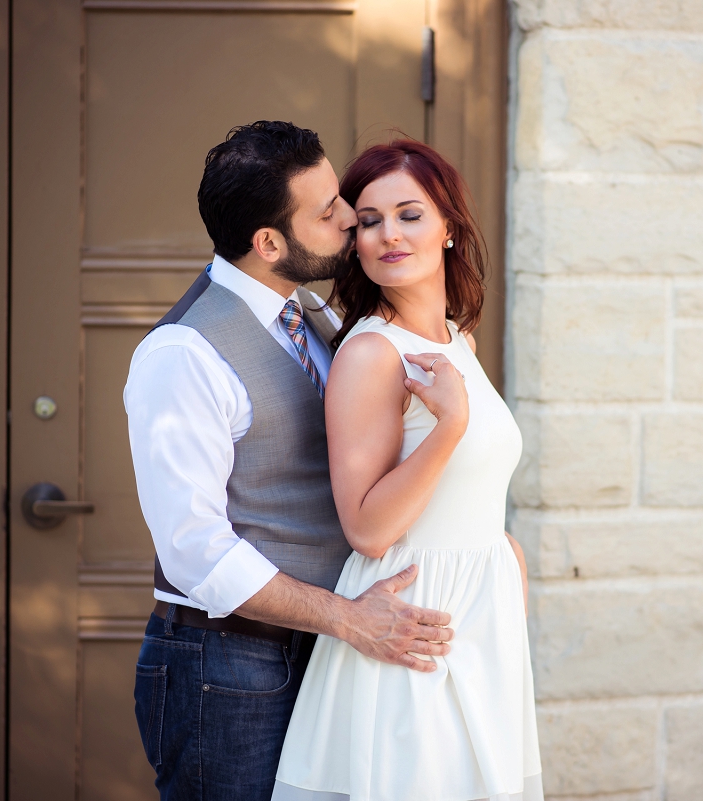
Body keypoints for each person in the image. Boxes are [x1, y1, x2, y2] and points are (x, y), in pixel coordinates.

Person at [125, 121, 456, 801]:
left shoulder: (309, 315)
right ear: (269, 243)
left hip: (319, 651)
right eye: (329, 210)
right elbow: (197, 552)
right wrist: (347, 617)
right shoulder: (183, 355)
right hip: (225, 667)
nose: (350, 218)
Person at [272, 140, 543, 800]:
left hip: (480, 627)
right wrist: (448, 427)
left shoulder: (456, 339)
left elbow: (470, 489)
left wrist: (505, 559)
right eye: (368, 220)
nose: (389, 233)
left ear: (450, 226)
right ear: (355, 242)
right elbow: (367, 527)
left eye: (409, 214)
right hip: (410, 634)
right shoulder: (372, 353)